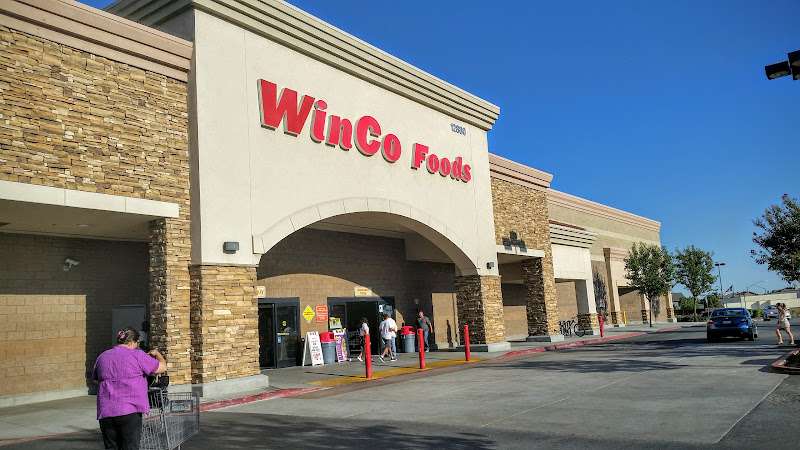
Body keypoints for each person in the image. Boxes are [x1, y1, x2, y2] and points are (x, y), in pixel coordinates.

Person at [93, 326, 167, 450]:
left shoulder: (102, 357)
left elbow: (96, 380)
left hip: (106, 411)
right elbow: (162, 367)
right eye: (138, 343)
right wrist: (157, 354)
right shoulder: (137, 355)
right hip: (130, 411)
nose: (138, 346)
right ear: (133, 342)